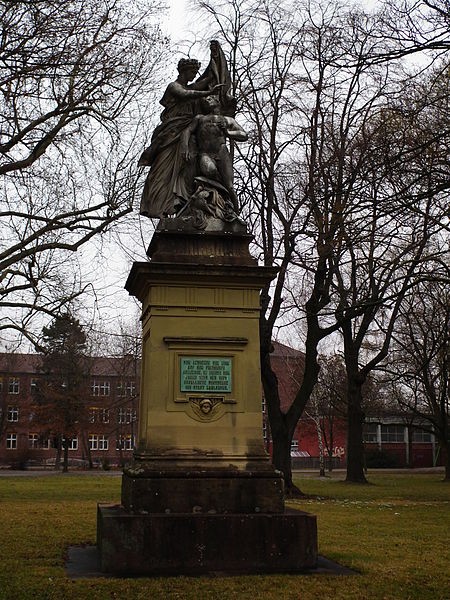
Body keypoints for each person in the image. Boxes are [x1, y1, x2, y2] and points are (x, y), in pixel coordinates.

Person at [138, 58, 224, 218]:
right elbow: (186, 94)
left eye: (195, 73)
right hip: (171, 133)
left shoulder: (191, 87)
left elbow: (202, 82)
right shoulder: (174, 86)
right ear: (183, 71)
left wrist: (215, 63)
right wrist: (209, 92)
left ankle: (179, 202)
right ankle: (159, 205)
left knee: (184, 169)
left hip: (185, 131)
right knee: (163, 170)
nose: (194, 75)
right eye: (192, 72)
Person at [180, 95, 248, 214]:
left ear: (217, 101)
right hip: (205, 153)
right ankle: (219, 196)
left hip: (221, 152)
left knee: (230, 187)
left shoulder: (227, 120)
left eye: (210, 98)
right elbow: (187, 131)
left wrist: (228, 132)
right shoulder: (200, 118)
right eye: (205, 99)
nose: (206, 100)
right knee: (210, 170)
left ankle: (235, 214)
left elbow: (244, 135)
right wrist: (184, 146)